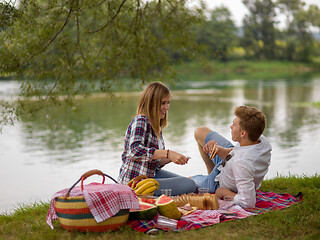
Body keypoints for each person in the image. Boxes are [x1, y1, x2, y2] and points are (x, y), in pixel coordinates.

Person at [118, 81, 196, 196]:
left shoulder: (157, 126)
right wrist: (168, 153)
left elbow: (153, 163)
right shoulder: (141, 120)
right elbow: (134, 151)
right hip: (135, 182)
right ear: (151, 103)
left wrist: (173, 158)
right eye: (163, 103)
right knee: (189, 184)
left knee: (188, 183)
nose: (167, 107)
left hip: (151, 175)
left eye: (168, 103)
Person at [192, 105, 272, 208]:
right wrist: (219, 150)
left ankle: (209, 180)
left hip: (218, 183)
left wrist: (224, 193)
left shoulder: (242, 163)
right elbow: (237, 151)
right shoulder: (259, 139)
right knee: (200, 131)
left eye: (234, 124)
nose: (230, 126)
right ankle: (210, 173)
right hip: (228, 163)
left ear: (243, 133)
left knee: (186, 183)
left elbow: (248, 202)